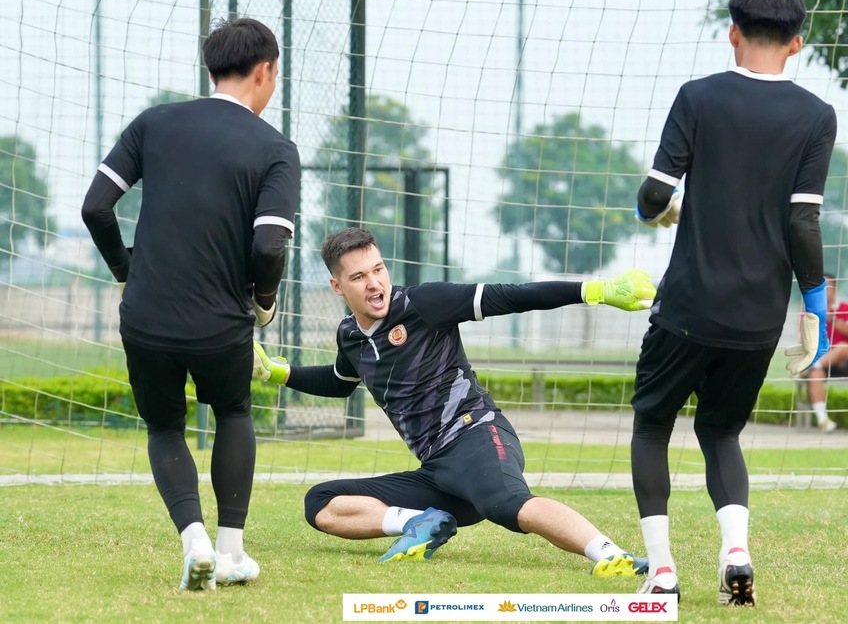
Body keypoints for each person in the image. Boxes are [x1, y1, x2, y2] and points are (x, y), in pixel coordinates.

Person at [252, 227, 656, 576]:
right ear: (338, 287)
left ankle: (613, 555)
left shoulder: (423, 304)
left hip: (476, 434)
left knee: (507, 503)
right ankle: (421, 523)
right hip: (438, 471)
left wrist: (595, 291)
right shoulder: (351, 336)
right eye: (359, 277)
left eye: (378, 269)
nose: (374, 283)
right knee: (320, 502)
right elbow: (340, 381)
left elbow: (509, 296)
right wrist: (278, 373)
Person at [629, 0, 835, 605]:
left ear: (733, 32)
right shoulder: (816, 117)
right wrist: (816, 306)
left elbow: (655, 196)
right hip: (758, 316)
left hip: (688, 306)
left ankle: (662, 571)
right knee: (721, 433)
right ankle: (736, 550)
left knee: (652, 424)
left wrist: (658, 214)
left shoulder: (698, 97)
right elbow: (803, 220)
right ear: (797, 44)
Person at [81, 18, 300, 591]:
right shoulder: (275, 148)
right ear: (265, 70)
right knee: (232, 413)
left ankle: (194, 540)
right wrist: (264, 302)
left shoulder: (154, 123)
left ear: (210, 70)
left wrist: (128, 273)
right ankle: (231, 551)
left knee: (163, 426)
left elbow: (96, 208)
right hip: (220, 322)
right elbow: (269, 243)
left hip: (146, 317)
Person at [802, 274, 848, 432]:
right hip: (822, 358)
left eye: (829, 287)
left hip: (843, 361)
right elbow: (804, 339)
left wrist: (831, 319)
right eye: (823, 287)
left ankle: (810, 366)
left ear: (836, 289)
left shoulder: (847, 308)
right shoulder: (809, 311)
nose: (826, 291)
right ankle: (823, 419)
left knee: (843, 346)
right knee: (815, 373)